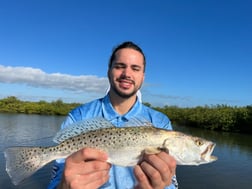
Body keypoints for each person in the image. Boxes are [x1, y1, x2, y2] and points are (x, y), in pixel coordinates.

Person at [48, 41, 178, 189]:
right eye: (119, 66)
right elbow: (55, 180)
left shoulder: (160, 123)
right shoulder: (79, 116)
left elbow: (171, 182)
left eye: (135, 69)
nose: (127, 74)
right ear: (109, 71)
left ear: (143, 76)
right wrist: (64, 186)